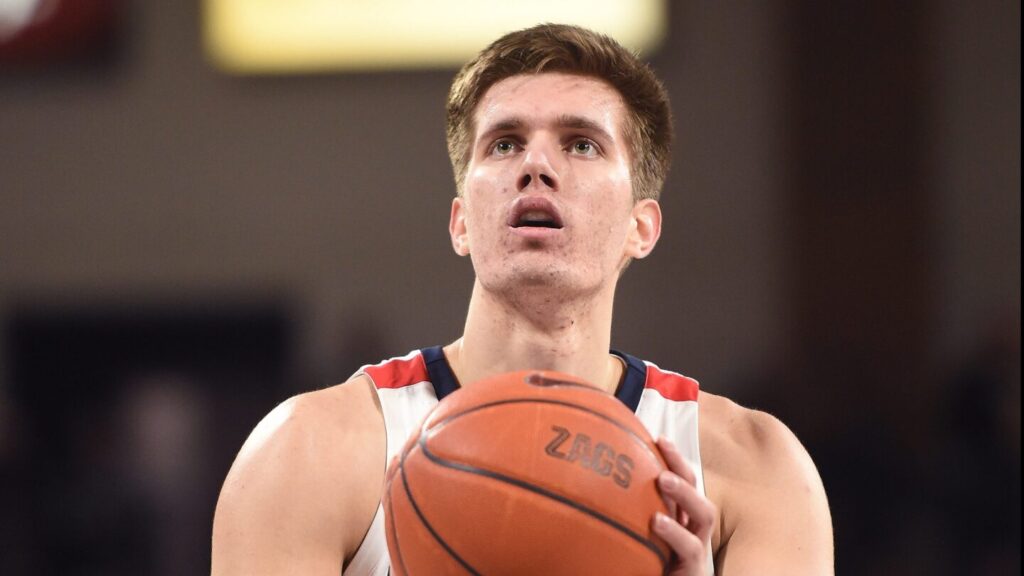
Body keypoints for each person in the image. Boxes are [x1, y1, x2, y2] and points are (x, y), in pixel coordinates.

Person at [211, 23, 834, 576]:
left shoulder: (755, 470)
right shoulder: (310, 451)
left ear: (640, 228)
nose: (536, 164)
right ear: (461, 223)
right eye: (504, 143)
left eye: (581, 143)